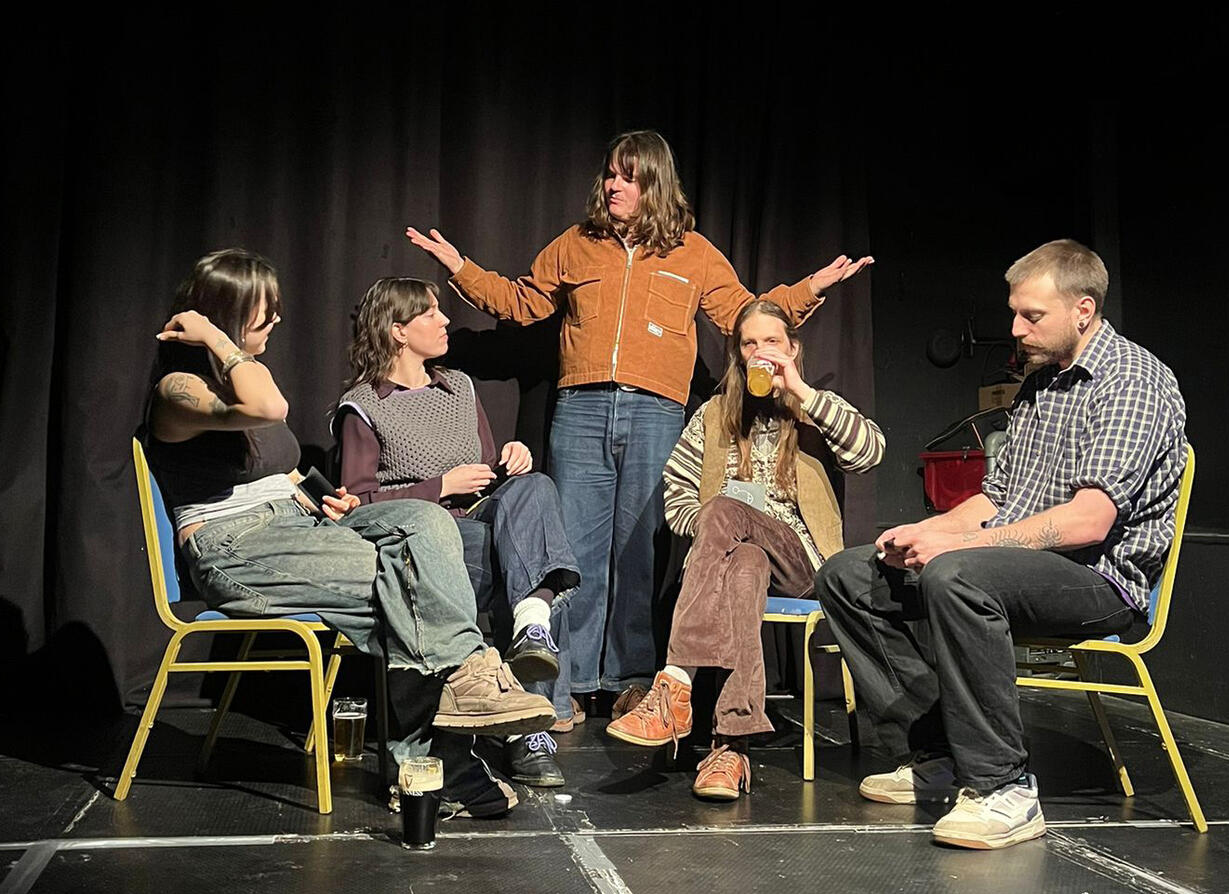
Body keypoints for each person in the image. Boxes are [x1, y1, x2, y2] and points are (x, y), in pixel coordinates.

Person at [406, 129, 873, 723]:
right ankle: (566, 685)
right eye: (610, 174)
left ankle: (631, 678)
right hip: (580, 409)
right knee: (574, 551)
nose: (612, 184)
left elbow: (743, 313)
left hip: (656, 412)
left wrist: (810, 289)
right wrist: (459, 267)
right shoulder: (576, 245)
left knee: (639, 552)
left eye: (627, 175)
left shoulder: (694, 253)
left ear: (654, 182)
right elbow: (523, 302)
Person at [145, 249, 554, 818]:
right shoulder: (178, 391)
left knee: (428, 522)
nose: (278, 320)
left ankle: (442, 739)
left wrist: (319, 497)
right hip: (233, 547)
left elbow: (277, 467)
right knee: (409, 586)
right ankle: (448, 736)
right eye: (265, 311)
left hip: (299, 523)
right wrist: (216, 338)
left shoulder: (240, 375)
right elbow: (269, 406)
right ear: (227, 315)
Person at [815, 240, 1188, 849]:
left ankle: (1003, 788)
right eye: (1015, 312)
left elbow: (1089, 522)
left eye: (1031, 316)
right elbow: (996, 500)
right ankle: (935, 755)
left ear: (1084, 310)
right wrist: (926, 532)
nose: (1015, 329)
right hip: (1022, 563)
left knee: (956, 577)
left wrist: (963, 553)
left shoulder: (1134, 381)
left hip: (1100, 578)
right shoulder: (1038, 388)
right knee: (850, 575)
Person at [606, 299, 884, 800]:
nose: (760, 351)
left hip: (803, 561)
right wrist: (714, 531)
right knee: (744, 562)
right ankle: (730, 748)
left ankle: (673, 683)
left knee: (728, 513)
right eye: (749, 343)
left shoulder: (815, 406)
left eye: (771, 341)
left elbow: (870, 451)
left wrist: (797, 388)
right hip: (736, 556)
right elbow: (677, 492)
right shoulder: (714, 415)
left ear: (792, 348)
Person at [334, 276, 581, 787]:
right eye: (430, 314)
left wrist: (509, 459)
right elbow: (358, 506)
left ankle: (533, 627)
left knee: (533, 488)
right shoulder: (363, 407)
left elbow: (486, 469)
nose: (445, 321)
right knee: (512, 558)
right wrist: (438, 486)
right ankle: (529, 730)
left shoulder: (460, 387)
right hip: (429, 545)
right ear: (398, 331)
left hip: (484, 522)